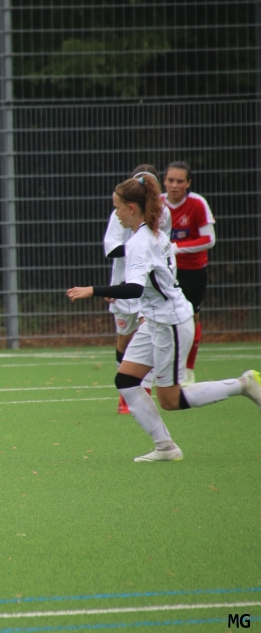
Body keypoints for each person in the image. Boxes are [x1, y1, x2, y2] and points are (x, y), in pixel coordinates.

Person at [67, 175, 260, 462]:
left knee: (170, 400)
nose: (116, 214)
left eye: (117, 207)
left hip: (170, 322)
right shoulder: (153, 230)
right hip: (156, 319)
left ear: (132, 207)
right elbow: (147, 281)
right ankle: (166, 447)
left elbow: (135, 288)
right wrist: (119, 292)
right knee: (126, 380)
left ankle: (243, 384)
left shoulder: (140, 241)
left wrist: (93, 290)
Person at [103, 165, 169, 414]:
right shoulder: (120, 214)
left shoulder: (164, 214)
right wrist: (117, 286)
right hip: (124, 283)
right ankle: (128, 390)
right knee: (125, 338)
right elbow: (111, 248)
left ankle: (141, 391)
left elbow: (163, 250)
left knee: (147, 332)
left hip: (147, 290)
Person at [162, 161, 215, 385]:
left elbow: (209, 239)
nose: (174, 185)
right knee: (161, 317)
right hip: (165, 271)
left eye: (180, 181)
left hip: (193, 270)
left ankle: (188, 369)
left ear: (188, 183)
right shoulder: (157, 204)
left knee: (192, 316)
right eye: (170, 180)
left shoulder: (197, 204)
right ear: (164, 181)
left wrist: (177, 247)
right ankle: (164, 368)